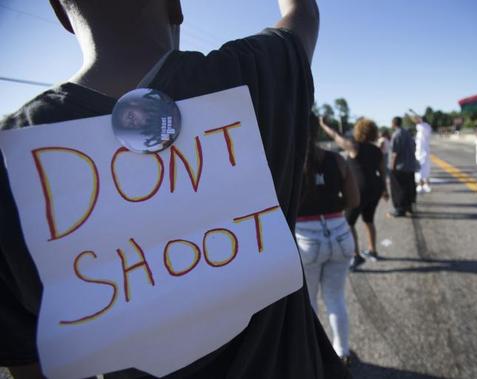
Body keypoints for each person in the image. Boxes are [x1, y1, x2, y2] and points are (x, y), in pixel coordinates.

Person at [0, 1, 353, 378]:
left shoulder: (11, 158)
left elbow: (29, 363)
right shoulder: (253, 73)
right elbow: (304, 14)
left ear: (59, 12)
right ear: (176, 7)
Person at [295, 114, 359, 366]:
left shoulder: (289, 162)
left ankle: (313, 354)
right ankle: (342, 351)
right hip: (341, 234)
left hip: (305, 239)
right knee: (335, 298)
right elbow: (353, 200)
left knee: (308, 302)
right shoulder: (337, 160)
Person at [319, 117, 388, 267]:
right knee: (369, 220)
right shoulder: (377, 150)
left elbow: (336, 137)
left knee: (348, 223)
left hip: (360, 189)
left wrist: (324, 125)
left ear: (359, 131)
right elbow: (383, 172)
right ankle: (373, 250)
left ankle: (356, 256)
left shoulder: (354, 147)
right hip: (375, 189)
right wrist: (385, 191)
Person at [388, 116, 416, 217]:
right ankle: (409, 207)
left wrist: (392, 167)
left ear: (394, 123)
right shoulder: (408, 133)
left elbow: (395, 153)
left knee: (398, 189)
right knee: (409, 188)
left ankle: (400, 209)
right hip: (410, 166)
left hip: (400, 167)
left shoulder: (396, 135)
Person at [413, 115, 432, 193]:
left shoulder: (425, 127)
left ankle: (426, 184)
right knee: (419, 169)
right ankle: (420, 184)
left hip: (424, 152)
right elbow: (417, 124)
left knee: (425, 169)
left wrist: (420, 120)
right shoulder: (419, 129)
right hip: (418, 153)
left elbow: (423, 126)